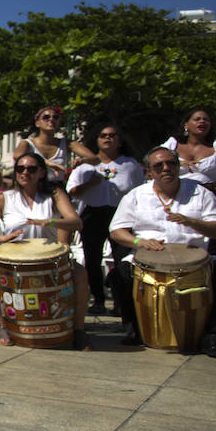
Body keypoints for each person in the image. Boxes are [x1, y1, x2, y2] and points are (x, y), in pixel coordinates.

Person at [107, 146, 216, 357]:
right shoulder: (136, 195)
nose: (166, 168)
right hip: (147, 257)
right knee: (119, 274)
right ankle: (135, 327)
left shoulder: (200, 193)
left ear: (178, 167)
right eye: (158, 165)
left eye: (171, 163)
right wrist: (139, 241)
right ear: (149, 172)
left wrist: (191, 222)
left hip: (196, 257)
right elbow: (116, 231)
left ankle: (214, 334)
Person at [0, 153, 92, 350]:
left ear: (41, 173)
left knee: (80, 273)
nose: (25, 173)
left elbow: (76, 222)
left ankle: (79, 330)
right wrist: (2, 239)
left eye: (31, 169)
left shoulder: (54, 195)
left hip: (49, 259)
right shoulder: (5, 198)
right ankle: (2, 325)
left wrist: (51, 222)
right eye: (20, 169)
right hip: (13, 260)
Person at [66, 122, 143, 314]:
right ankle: (98, 300)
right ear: (97, 140)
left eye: (112, 135)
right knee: (92, 260)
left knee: (121, 259)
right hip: (93, 214)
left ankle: (120, 302)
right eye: (103, 135)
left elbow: (140, 192)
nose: (108, 138)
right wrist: (89, 184)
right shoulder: (85, 164)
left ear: (120, 141)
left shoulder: (130, 164)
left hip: (120, 215)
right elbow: (72, 192)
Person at [162, 108, 216, 257]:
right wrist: (177, 163)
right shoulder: (173, 144)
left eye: (206, 119)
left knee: (213, 247)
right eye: (197, 119)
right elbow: (153, 161)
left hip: (213, 198)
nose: (202, 122)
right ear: (186, 125)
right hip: (180, 198)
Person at [12, 105, 95, 185]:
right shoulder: (27, 143)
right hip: (32, 186)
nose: (51, 119)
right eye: (46, 117)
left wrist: (82, 160)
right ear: (37, 123)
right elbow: (17, 156)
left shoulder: (67, 143)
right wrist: (47, 163)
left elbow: (95, 159)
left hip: (56, 186)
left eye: (56, 117)